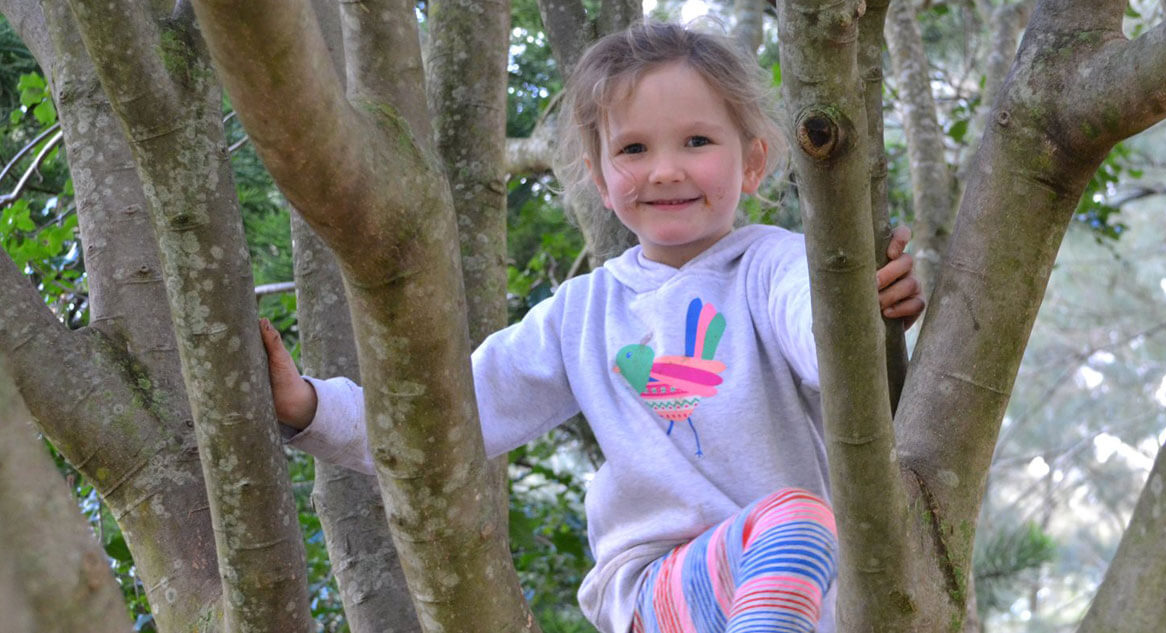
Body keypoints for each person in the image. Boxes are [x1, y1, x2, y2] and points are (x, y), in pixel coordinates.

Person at [262, 21, 924, 633]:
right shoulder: (581, 313)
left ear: (751, 161)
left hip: (787, 600)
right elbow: (448, 415)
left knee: (800, 525)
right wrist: (312, 408)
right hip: (654, 591)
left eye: (697, 140)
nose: (665, 168)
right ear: (601, 178)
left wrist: (859, 309)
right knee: (802, 520)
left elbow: (820, 337)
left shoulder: (774, 264)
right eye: (634, 148)